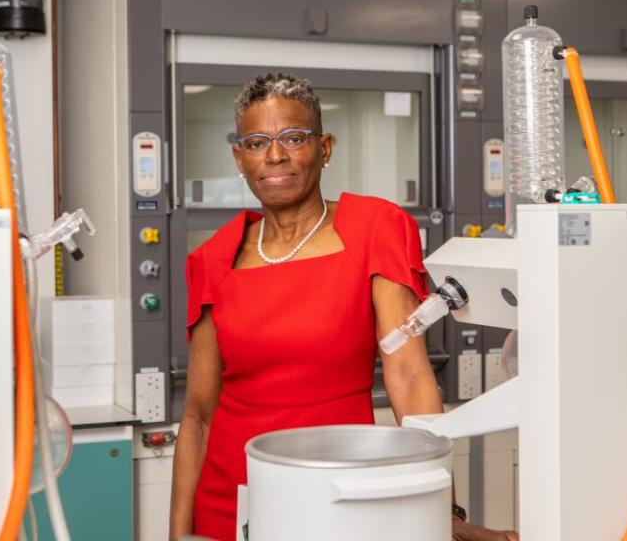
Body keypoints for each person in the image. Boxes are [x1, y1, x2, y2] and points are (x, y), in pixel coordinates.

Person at [169, 72, 518, 541]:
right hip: (233, 501)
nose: (275, 155)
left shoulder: (374, 227)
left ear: (325, 148)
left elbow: (411, 378)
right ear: (239, 157)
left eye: (293, 137)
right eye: (257, 142)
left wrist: (443, 511)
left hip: (345, 492)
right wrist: (177, 534)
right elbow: (198, 416)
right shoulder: (214, 257)